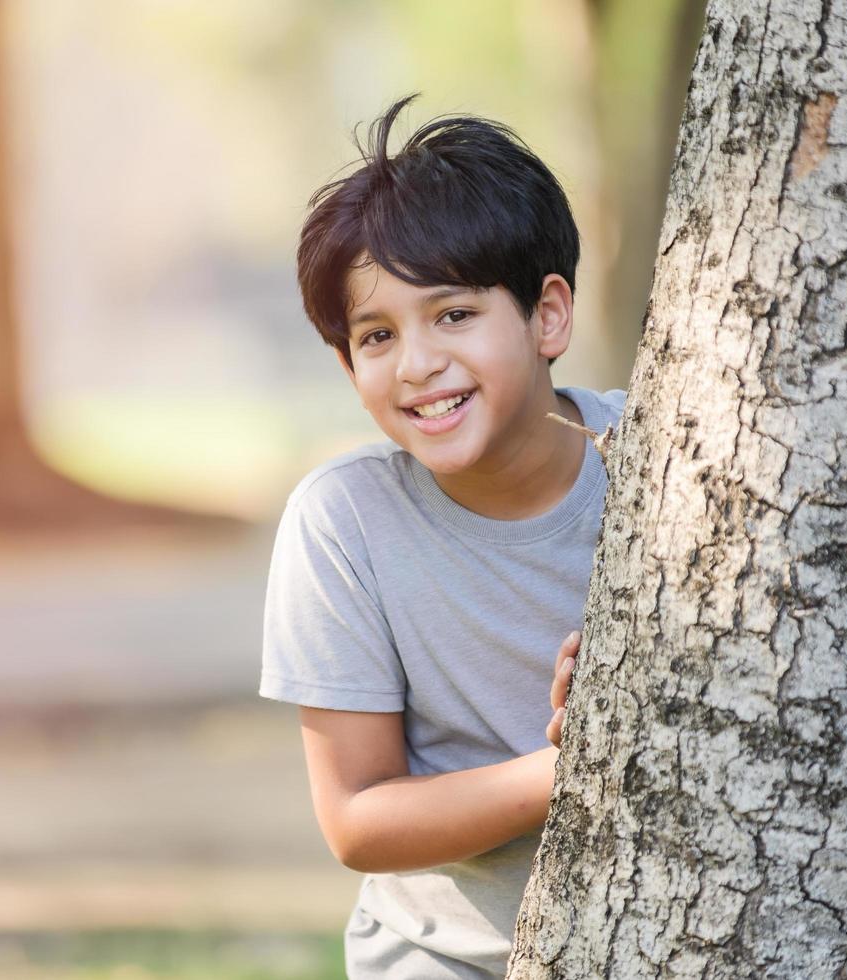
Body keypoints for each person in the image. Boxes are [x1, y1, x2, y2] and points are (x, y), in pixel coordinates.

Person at [258, 93, 626, 978]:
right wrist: (579, 761)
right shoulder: (342, 523)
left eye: (453, 314)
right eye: (377, 335)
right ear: (349, 366)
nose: (417, 364)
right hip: (446, 956)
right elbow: (357, 816)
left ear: (547, 316)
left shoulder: (666, 461)